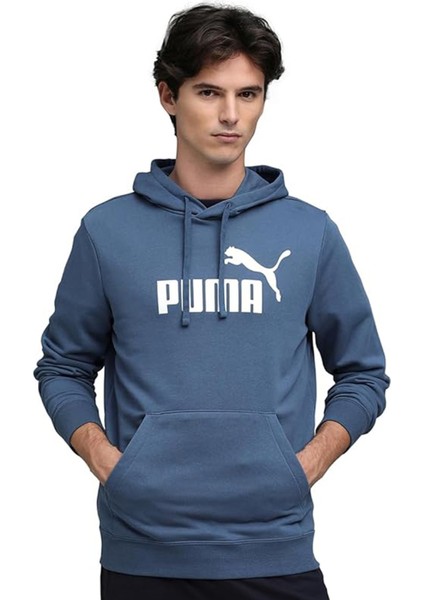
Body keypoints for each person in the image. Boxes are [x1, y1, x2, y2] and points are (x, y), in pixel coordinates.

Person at [34, 4, 390, 599]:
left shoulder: (311, 233)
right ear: (167, 96)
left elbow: (364, 373)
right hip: (144, 554)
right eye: (209, 92)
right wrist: (110, 464)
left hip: (274, 546)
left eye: (248, 94)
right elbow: (63, 367)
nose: (231, 115)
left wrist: (303, 467)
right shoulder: (107, 233)